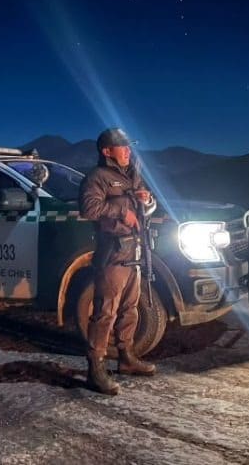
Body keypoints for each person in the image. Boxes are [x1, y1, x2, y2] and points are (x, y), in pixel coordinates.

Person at [79, 127, 158, 395]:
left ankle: (126, 358)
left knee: (130, 308)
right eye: (123, 146)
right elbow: (89, 208)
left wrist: (147, 200)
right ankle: (95, 369)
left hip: (134, 250)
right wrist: (123, 211)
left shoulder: (131, 174)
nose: (128, 151)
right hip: (113, 252)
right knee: (105, 313)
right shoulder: (97, 177)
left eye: (129, 146)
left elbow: (147, 207)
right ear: (107, 151)